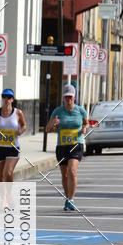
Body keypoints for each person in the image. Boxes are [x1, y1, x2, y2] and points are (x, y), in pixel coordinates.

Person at [46, 83, 88, 211]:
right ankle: (67, 198)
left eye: (70, 97)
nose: (68, 99)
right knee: (64, 175)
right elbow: (47, 129)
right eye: (66, 97)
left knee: (72, 171)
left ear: (74, 97)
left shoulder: (81, 110)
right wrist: (53, 123)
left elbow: (86, 123)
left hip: (76, 145)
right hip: (62, 146)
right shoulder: (57, 111)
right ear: (63, 98)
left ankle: (72, 199)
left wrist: (84, 128)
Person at [0, 88, 26, 181]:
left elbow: (24, 125)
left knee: (8, 173)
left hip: (13, 148)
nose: (6, 99)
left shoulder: (18, 113)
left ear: (12, 99)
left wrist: (20, 131)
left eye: (9, 97)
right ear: (2, 98)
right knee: (0, 177)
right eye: (4, 97)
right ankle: (3, 196)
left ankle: (9, 195)